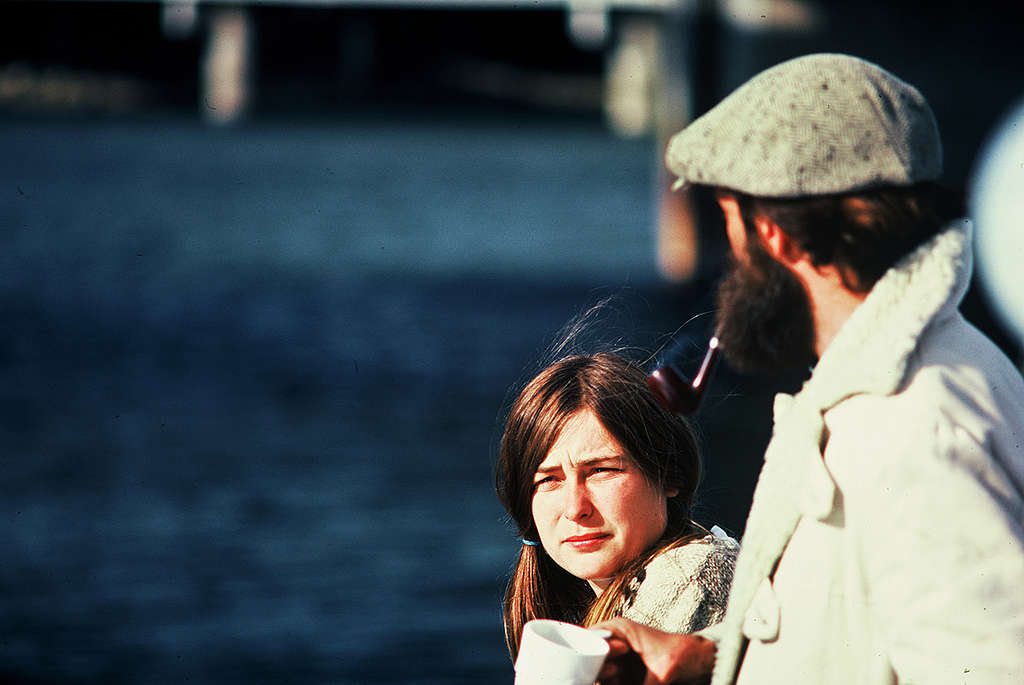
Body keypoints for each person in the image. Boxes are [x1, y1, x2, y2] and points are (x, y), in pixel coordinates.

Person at [594, 53, 1024, 685]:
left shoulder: (911, 431)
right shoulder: (939, 367)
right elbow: (863, 626)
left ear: (776, 237)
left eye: (732, 226)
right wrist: (712, 659)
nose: (730, 262)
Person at [495, 352, 739, 661]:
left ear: (669, 475)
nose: (575, 508)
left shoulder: (691, 577)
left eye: (601, 471)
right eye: (548, 480)